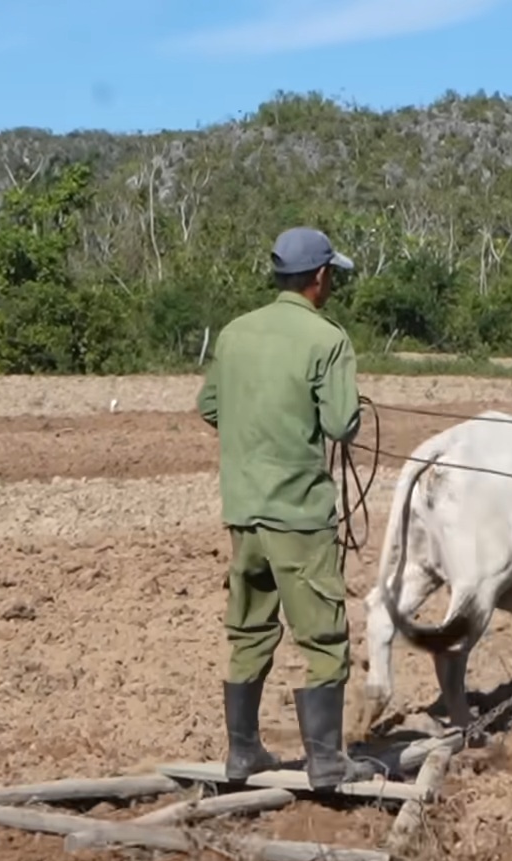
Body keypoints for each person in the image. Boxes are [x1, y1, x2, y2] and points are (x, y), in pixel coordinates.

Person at [195, 226, 372, 792]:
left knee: (249, 629)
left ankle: (242, 753)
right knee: (323, 634)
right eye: (331, 276)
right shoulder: (328, 339)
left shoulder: (235, 332)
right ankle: (326, 761)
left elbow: (210, 406)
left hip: (243, 511)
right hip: (298, 513)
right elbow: (341, 424)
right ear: (319, 277)